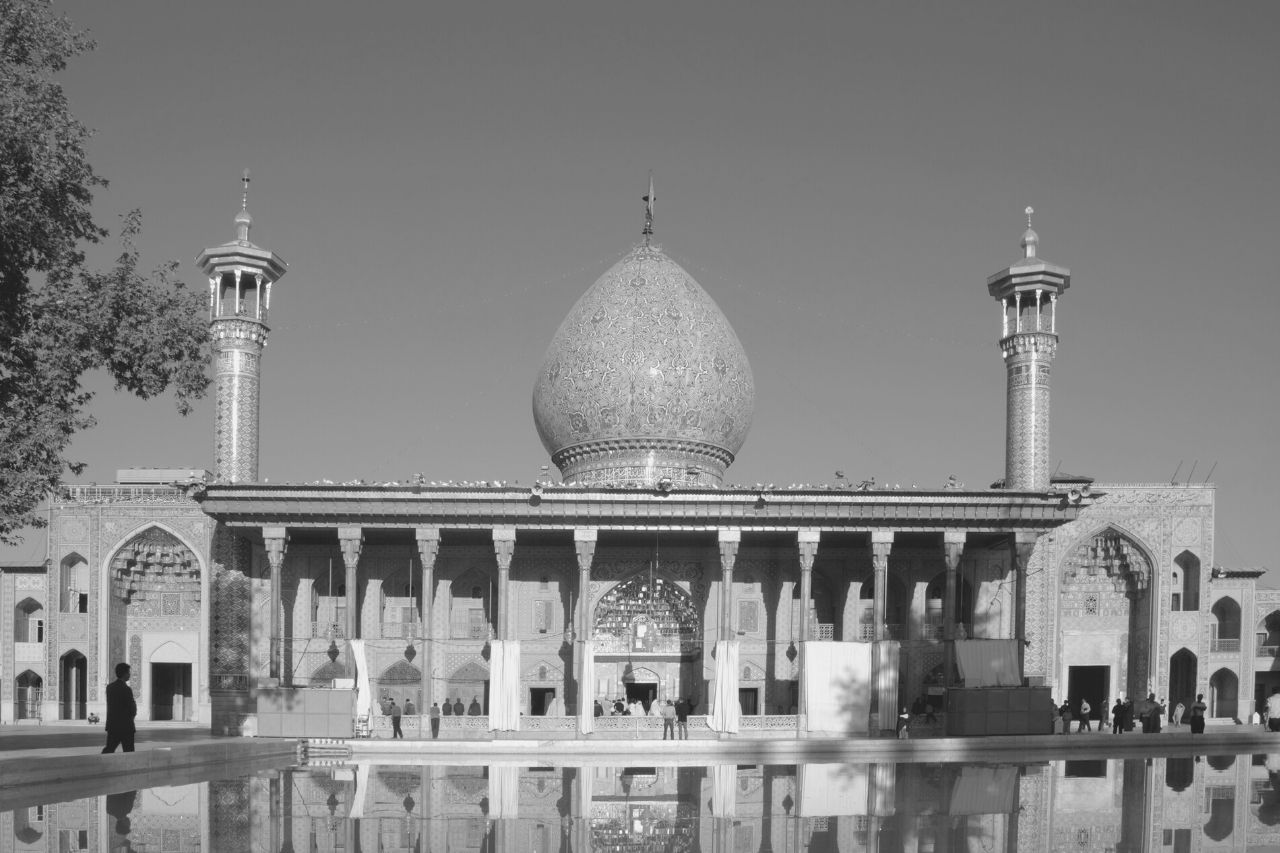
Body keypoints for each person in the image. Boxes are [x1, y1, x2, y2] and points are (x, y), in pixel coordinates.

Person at [102, 662, 137, 753]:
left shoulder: (109, 687)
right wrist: (132, 716)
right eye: (128, 672)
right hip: (126, 726)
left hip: (113, 725)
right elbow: (132, 707)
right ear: (124, 674)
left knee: (109, 749)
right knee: (129, 751)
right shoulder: (126, 689)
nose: (129, 675)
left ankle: (100, 761)